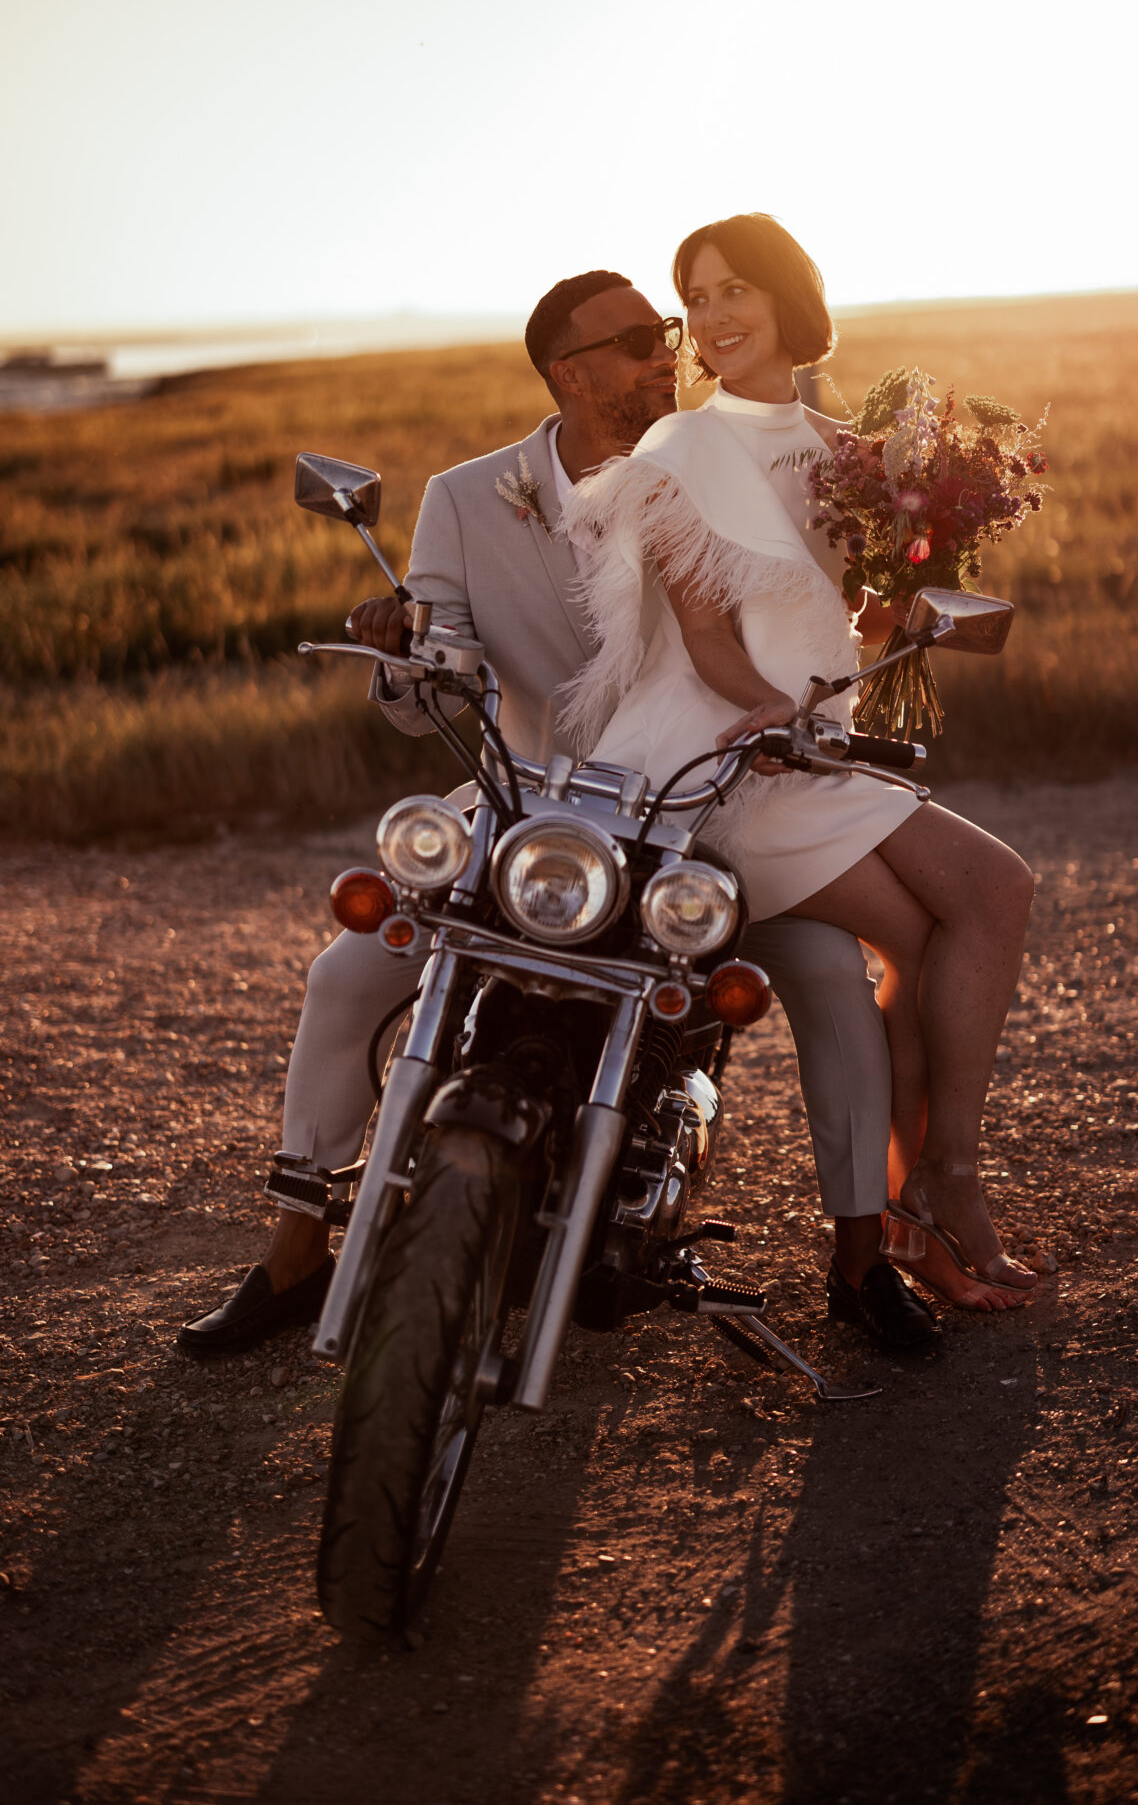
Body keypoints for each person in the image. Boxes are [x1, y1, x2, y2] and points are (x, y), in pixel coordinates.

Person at [178, 268, 937, 1359]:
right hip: (528, 810)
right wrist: (403, 650)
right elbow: (433, 683)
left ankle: (862, 1263)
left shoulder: (722, 461)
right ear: (567, 374)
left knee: (828, 978)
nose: (666, 353)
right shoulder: (467, 495)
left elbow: (816, 604)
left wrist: (900, 572)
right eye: (635, 342)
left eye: (664, 331)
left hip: (704, 811)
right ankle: (297, 1249)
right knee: (347, 970)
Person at [560, 214, 1039, 1317]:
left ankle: (931, 1193)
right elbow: (709, 639)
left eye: (734, 289)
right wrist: (775, 713)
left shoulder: (848, 451)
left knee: (976, 904)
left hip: (812, 746)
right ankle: (936, 1196)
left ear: (786, 296)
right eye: (696, 299)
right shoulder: (680, 450)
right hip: (720, 759)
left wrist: (904, 594)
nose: (713, 316)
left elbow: (840, 623)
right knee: (975, 899)